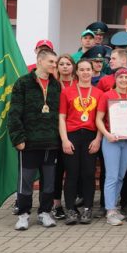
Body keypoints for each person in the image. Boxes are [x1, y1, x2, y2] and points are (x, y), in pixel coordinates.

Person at [8, 49, 62, 231]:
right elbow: (14, 113)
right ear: (40, 61)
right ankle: (23, 214)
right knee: (26, 181)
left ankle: (44, 212)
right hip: (29, 143)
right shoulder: (23, 83)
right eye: (51, 62)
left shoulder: (56, 85)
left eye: (55, 62)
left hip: (51, 142)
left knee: (49, 181)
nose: (54, 65)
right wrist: (18, 138)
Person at [58, 58, 103, 225]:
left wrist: (98, 139)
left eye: (88, 70)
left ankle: (87, 208)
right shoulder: (67, 92)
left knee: (89, 174)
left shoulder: (99, 93)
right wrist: (64, 140)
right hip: (72, 136)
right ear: (76, 72)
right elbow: (61, 118)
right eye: (82, 69)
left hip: (90, 136)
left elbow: (101, 119)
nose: (85, 73)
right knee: (72, 174)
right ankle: (70, 209)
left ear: (93, 72)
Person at [96, 68, 127, 226]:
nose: (124, 80)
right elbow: (99, 119)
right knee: (112, 176)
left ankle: (114, 206)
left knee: (121, 176)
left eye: (126, 77)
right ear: (115, 79)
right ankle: (110, 211)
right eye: (121, 77)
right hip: (112, 140)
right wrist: (106, 134)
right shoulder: (107, 95)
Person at [51, 54, 76, 219]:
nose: (65, 67)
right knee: (57, 170)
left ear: (73, 66)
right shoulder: (53, 85)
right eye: (62, 64)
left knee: (73, 170)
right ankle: (56, 204)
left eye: (68, 64)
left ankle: (72, 203)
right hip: (55, 132)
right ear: (57, 67)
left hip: (74, 131)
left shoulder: (79, 84)